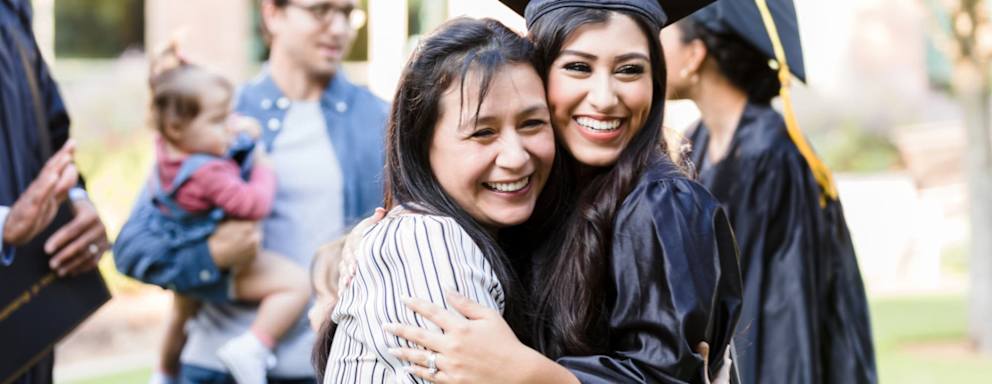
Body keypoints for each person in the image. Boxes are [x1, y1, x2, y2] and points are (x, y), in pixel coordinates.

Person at [328, 1, 743, 383]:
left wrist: (530, 374)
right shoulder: (536, 197)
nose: (603, 98)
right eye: (578, 67)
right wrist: (359, 245)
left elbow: (665, 372)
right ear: (538, 76)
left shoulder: (659, 203)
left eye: (630, 70)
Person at [112, 0, 389, 382]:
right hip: (215, 371)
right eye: (321, 10)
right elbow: (133, 246)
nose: (339, 28)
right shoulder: (219, 112)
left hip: (331, 370)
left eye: (347, 12)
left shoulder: (382, 121)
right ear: (272, 13)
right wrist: (208, 255)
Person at [319, 16, 568, 383]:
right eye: (483, 132)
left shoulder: (503, 240)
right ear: (422, 145)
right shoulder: (425, 240)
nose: (516, 157)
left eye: (532, 123)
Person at [661, 1, 876, 383]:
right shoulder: (698, 140)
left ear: (694, 55)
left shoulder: (774, 153)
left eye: (665, 33)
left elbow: (786, 308)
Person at [137, 42, 311, 384]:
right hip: (224, 260)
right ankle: (253, 347)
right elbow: (252, 203)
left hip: (186, 252)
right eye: (219, 120)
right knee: (295, 285)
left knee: (181, 313)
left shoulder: (169, 151)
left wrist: (231, 129)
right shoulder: (208, 172)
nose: (229, 128)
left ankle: (163, 372)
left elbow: (209, 134)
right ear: (176, 126)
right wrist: (263, 167)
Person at [0, 0, 110, 383]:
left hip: (25, 330)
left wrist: (76, 202)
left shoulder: (13, 8)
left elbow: (51, 126)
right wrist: (3, 226)